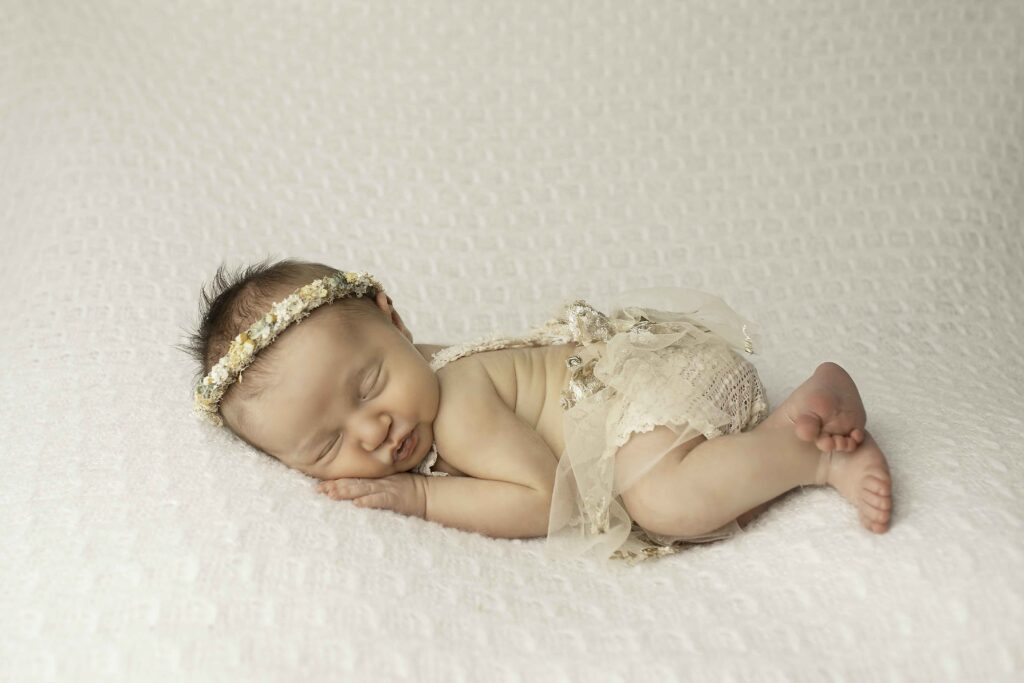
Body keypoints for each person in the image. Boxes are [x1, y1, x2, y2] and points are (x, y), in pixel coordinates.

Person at [181, 258, 893, 566]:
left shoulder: (456, 404)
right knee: (665, 481)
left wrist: (421, 495)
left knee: (662, 499)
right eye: (327, 443)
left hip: (658, 387)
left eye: (369, 386)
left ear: (393, 320)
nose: (375, 430)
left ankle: (818, 453)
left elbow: (547, 496)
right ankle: (795, 420)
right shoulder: (416, 368)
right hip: (652, 393)